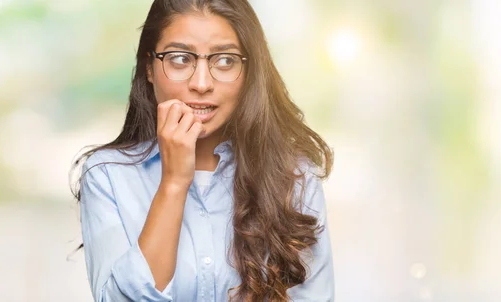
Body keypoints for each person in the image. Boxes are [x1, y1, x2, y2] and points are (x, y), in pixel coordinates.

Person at [71, 0, 335, 301]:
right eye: (180, 58)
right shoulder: (107, 176)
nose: (201, 83)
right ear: (149, 67)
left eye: (224, 60)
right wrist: (173, 183)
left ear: (249, 71)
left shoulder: (295, 177)